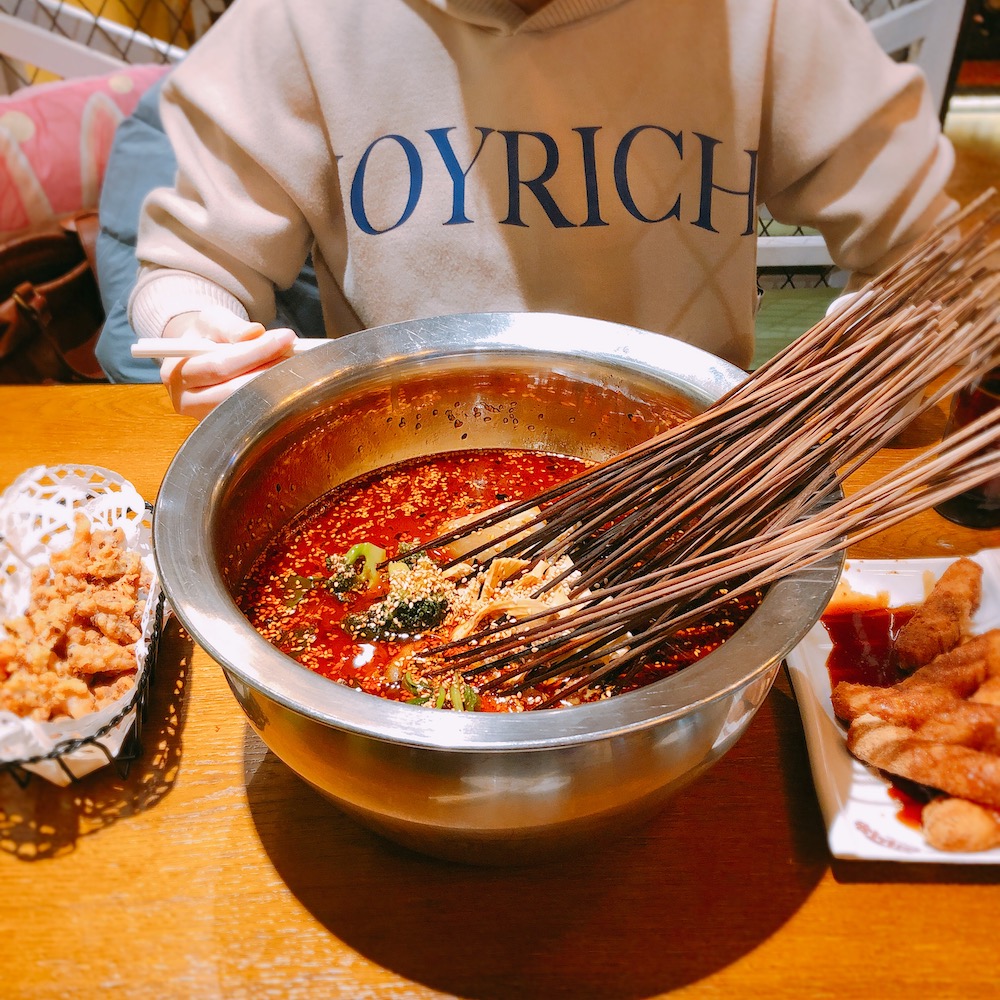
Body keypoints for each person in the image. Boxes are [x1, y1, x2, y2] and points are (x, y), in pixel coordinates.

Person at [129, 0, 956, 418]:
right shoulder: (300, 20)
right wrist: (205, 337)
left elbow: (933, 254)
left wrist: (869, 361)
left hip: (693, 469)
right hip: (392, 450)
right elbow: (192, 270)